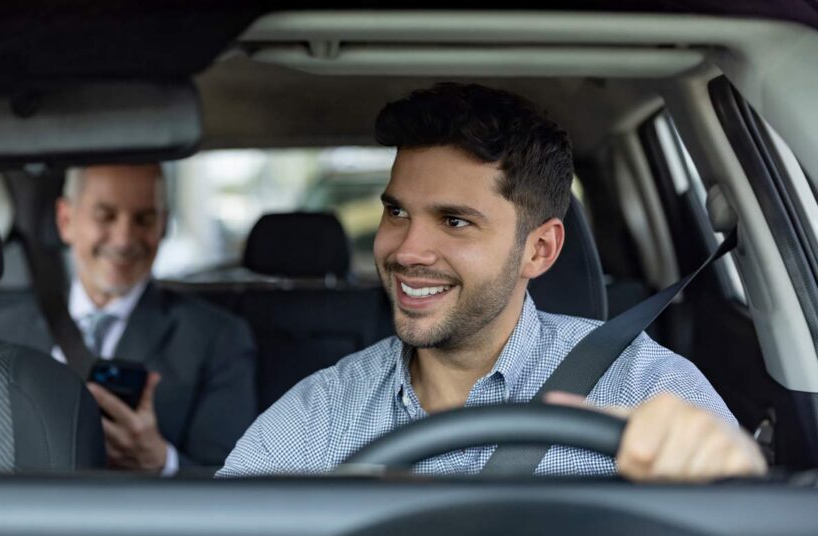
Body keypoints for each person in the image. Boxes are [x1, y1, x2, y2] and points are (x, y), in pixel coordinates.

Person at [218, 83, 766, 481]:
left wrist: (733, 479)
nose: (407, 250)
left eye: (455, 221)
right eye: (397, 212)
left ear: (539, 249)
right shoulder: (325, 410)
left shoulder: (645, 390)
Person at [0, 164, 258, 474]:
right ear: (66, 220)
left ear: (163, 226)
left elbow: (231, 482)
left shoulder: (216, 338)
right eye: (105, 216)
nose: (125, 239)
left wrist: (162, 462)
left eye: (144, 219)